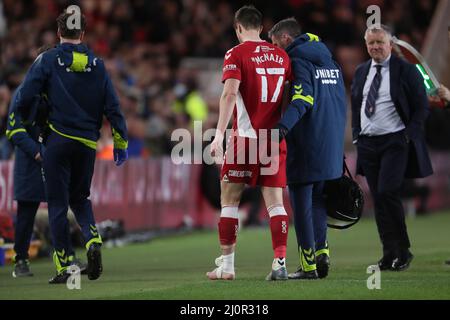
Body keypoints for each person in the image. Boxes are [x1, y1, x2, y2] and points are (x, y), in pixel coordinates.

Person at [13, 8, 128, 283]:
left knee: (57, 203)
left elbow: (24, 97)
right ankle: (92, 239)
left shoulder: (47, 60)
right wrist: (119, 144)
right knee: (80, 198)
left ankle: (65, 266)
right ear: (83, 33)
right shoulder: (98, 65)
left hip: (57, 140)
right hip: (87, 143)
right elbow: (114, 108)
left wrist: (34, 119)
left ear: (58, 32)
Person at [207, 5, 292, 281]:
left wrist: (219, 135)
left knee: (230, 199)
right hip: (274, 138)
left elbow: (230, 94)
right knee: (276, 204)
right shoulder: (281, 56)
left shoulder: (236, 53)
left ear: (238, 28)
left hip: (245, 137)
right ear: (263, 28)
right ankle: (280, 263)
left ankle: (228, 267)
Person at [269, 18, 347, 279]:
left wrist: (281, 129)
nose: (274, 49)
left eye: (275, 43)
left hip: (306, 143)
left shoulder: (298, 61)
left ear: (286, 40)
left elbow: (303, 99)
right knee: (317, 202)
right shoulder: (330, 63)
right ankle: (322, 252)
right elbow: (339, 102)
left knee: (301, 204)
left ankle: (308, 266)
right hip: (331, 144)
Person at [351, 25, 433, 271]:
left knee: (388, 192)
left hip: (395, 142)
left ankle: (403, 250)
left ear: (390, 43)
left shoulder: (406, 70)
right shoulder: (361, 71)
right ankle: (389, 253)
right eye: (371, 43)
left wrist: (408, 135)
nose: (375, 46)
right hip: (367, 143)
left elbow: (422, 107)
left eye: (379, 42)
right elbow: (357, 105)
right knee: (378, 198)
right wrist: (357, 134)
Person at [7, 82, 87, 278]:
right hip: (30, 159)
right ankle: (21, 260)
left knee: (59, 208)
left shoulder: (57, 90)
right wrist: (37, 152)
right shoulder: (23, 92)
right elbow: (14, 130)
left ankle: (67, 256)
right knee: (27, 211)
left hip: (54, 156)